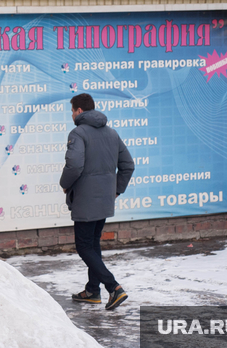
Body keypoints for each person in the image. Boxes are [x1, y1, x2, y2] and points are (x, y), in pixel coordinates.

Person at [59, 93, 134, 310]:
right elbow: (128, 165)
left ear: (79, 111)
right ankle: (92, 291)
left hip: (85, 199)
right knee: (93, 245)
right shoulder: (112, 133)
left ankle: (114, 288)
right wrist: (116, 190)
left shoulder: (78, 133)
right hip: (104, 200)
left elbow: (74, 166)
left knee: (84, 247)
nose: (71, 114)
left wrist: (64, 184)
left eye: (72, 110)